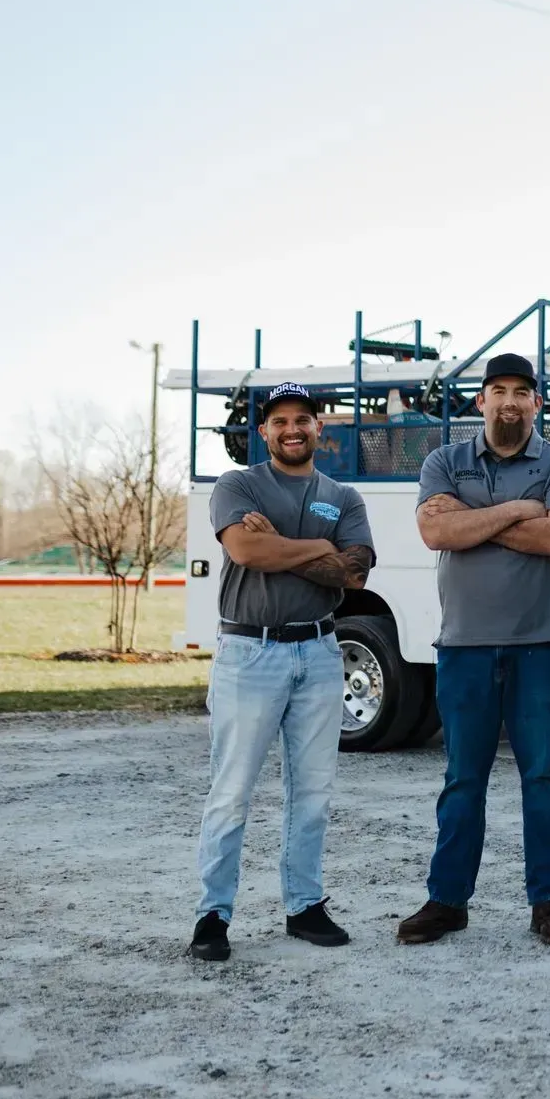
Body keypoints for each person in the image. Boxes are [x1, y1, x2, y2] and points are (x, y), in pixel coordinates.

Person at [397, 353, 550, 948]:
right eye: (498, 390)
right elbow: (435, 532)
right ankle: (447, 900)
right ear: (480, 400)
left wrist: (473, 518)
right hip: (465, 645)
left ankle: (549, 904)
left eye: (521, 392)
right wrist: (516, 510)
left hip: (542, 643)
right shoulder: (443, 460)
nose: (509, 401)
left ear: (537, 402)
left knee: (543, 776)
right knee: (462, 779)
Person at [189, 382, 374, 962]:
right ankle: (213, 915)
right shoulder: (238, 484)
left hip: (320, 652)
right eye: (280, 421)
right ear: (263, 432)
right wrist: (318, 548)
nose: (292, 429)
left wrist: (287, 544)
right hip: (250, 654)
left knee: (313, 792)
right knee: (232, 792)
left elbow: (355, 575)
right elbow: (247, 553)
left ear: (321, 428)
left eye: (304, 419)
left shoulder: (343, 496)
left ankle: (304, 906)